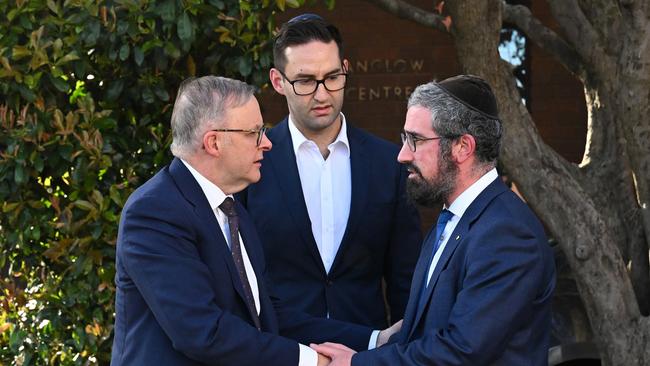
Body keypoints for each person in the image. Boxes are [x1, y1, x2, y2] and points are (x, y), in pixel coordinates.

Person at [111, 76, 388, 365]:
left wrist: (374, 340)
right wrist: (314, 362)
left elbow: (270, 316)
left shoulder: (232, 210)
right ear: (214, 142)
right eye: (254, 132)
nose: (266, 143)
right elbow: (201, 332)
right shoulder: (154, 213)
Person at [313, 75, 556, 365]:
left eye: (415, 139)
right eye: (405, 139)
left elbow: (461, 351)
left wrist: (358, 364)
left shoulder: (507, 234)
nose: (402, 154)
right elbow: (423, 334)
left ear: (463, 147)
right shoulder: (452, 220)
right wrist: (361, 355)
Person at [238, 13, 422, 333]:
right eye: (306, 81)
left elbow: (405, 281)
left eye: (332, 77)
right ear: (278, 81)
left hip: (365, 352)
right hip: (279, 352)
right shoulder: (251, 163)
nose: (322, 94)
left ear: (345, 70)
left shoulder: (389, 163)